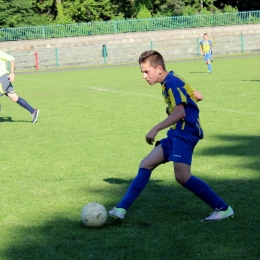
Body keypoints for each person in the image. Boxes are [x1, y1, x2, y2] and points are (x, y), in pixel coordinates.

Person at [109, 50, 234, 222]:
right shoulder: (173, 79)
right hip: (177, 132)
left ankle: (223, 208)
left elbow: (180, 112)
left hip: (185, 132)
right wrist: (185, 103)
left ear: (159, 68)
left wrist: (155, 129)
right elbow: (198, 96)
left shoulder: (172, 83)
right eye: (142, 72)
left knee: (182, 176)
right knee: (146, 164)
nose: (144, 76)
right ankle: (121, 208)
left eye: (146, 71)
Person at [0, 51, 39, 123]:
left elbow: (12, 59)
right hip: (3, 80)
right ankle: (33, 111)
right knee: (14, 98)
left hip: (2, 79)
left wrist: (12, 73)